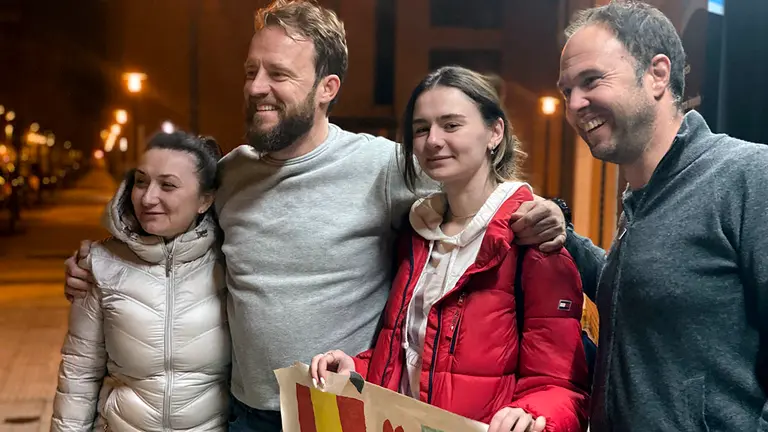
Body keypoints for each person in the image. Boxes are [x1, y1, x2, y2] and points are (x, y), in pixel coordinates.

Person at [62, 1, 572, 430]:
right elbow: (168, 233)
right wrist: (104, 260)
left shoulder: (384, 166)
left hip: (340, 412)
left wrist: (549, 210)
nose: (257, 87)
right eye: (251, 71)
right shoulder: (231, 173)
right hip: (244, 413)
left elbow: (478, 193)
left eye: (279, 74)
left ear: (327, 87)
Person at [310, 66, 590, 432]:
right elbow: (414, 358)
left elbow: (561, 385)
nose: (432, 140)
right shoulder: (417, 234)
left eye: (451, 125)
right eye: (421, 129)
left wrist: (532, 413)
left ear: (495, 132)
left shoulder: (533, 239)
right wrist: (357, 370)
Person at [557, 2, 768, 430]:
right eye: (566, 92)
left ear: (657, 74)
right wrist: (563, 234)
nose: (575, 104)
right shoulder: (641, 197)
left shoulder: (747, 174)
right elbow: (641, 290)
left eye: (591, 80)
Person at [51, 132, 230, 431]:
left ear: (204, 200)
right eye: (141, 181)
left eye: (168, 185)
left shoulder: (231, 261)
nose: (148, 198)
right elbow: (79, 373)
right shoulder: (100, 264)